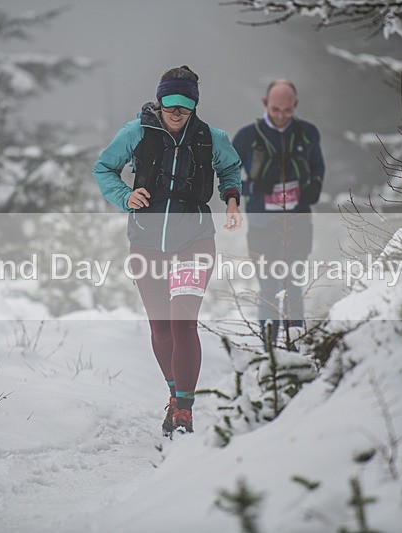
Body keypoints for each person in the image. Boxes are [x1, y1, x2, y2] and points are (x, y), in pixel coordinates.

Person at [92, 65, 243, 435]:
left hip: (195, 241)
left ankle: (185, 412)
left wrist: (233, 199)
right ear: (159, 101)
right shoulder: (136, 132)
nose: (176, 111)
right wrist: (126, 196)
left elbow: (231, 170)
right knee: (161, 329)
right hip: (146, 243)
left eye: (185, 103)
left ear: (194, 104)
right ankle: (174, 396)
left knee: (182, 322)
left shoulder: (211, 137)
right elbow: (103, 169)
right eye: (169, 101)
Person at [231, 79, 325, 350]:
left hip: (298, 219)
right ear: (265, 104)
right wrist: (251, 187)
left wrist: (314, 187)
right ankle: (270, 352)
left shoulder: (308, 133)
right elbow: (228, 175)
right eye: (275, 109)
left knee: (294, 285)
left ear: (295, 105)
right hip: (262, 221)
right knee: (270, 286)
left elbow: (318, 166)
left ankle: (297, 350)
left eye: (287, 110)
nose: (281, 115)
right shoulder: (246, 137)